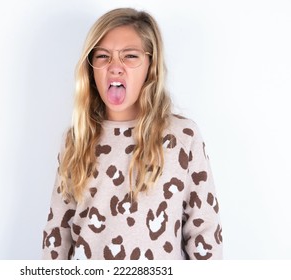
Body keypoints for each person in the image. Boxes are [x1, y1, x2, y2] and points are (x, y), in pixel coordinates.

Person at [42, 7, 223, 260]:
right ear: (91, 69)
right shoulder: (77, 139)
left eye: (130, 56)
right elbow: (57, 236)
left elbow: (204, 232)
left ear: (151, 65)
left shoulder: (182, 137)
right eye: (103, 56)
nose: (115, 67)